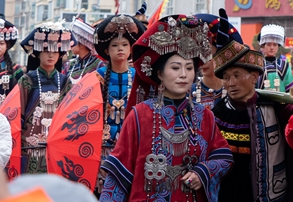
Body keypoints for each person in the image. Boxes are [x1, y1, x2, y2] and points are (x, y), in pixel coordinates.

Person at [99, 15, 233, 202]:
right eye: (176, 68)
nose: (183, 75)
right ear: (160, 73)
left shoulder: (204, 116)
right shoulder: (140, 115)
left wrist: (203, 172)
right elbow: (119, 174)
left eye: (189, 68)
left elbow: (224, 158)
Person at [211, 40, 293, 202]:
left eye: (237, 75)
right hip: (228, 191)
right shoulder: (218, 113)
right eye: (227, 78)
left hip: (269, 191)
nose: (231, 83)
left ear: (254, 76)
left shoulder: (274, 107)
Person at [17, 22, 73, 174]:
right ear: (37, 52)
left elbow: (70, 115)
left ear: (60, 54)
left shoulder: (66, 82)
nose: (51, 55)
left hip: (57, 142)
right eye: (46, 50)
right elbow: (18, 115)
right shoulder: (27, 80)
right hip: (30, 145)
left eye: (55, 51)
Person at [93, 13, 146, 160]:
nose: (120, 49)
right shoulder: (97, 77)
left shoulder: (139, 77)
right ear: (106, 51)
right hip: (102, 145)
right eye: (115, 45)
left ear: (131, 49)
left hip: (132, 143)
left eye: (124, 45)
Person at [192, 10, 244, 108]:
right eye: (199, 55)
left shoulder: (234, 90)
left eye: (208, 54)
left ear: (220, 56)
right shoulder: (189, 92)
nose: (203, 61)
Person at [61, 18, 104, 95]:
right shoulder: (69, 64)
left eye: (73, 41)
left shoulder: (99, 65)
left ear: (82, 44)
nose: (70, 44)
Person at [257, 25, 293, 92]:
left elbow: (290, 89)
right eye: (268, 44)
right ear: (263, 46)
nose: (272, 47)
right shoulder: (257, 64)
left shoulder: (284, 65)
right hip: (260, 102)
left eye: (275, 45)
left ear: (278, 47)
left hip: (282, 101)